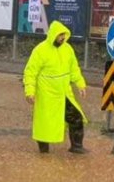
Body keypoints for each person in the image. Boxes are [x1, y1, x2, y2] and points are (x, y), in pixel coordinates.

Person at [23, 20, 88, 154]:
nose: (62, 38)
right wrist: (30, 91)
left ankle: (77, 146)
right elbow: (30, 72)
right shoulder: (40, 50)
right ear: (53, 35)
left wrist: (80, 84)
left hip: (64, 93)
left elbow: (74, 69)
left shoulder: (67, 49)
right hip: (46, 94)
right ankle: (43, 150)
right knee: (44, 123)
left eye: (64, 35)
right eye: (60, 35)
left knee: (76, 117)